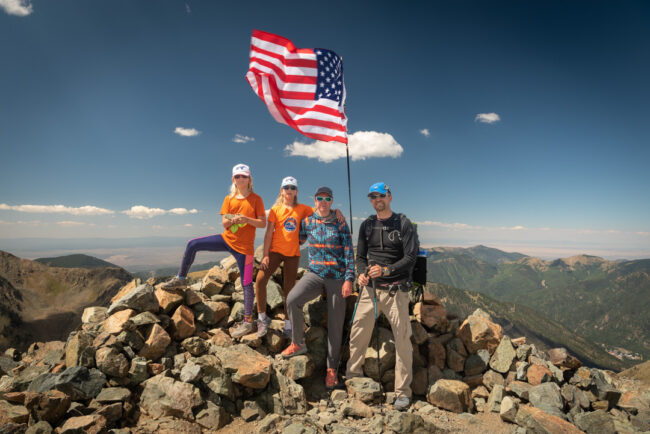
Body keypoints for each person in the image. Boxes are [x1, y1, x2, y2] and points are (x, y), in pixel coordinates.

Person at [161, 163, 266, 338]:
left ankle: (248, 322)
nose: (241, 179)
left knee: (247, 283)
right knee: (192, 244)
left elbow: (262, 223)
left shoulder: (256, 199)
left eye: (244, 176)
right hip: (226, 239)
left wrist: (246, 219)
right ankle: (181, 279)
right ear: (233, 179)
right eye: (237, 176)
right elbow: (224, 223)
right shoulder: (229, 199)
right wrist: (233, 220)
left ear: (249, 179)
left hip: (245, 249)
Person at [346, 182, 418, 411]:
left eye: (381, 195)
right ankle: (353, 378)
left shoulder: (404, 224)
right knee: (358, 332)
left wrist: (386, 270)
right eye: (373, 196)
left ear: (390, 197)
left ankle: (402, 393)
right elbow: (360, 256)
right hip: (370, 289)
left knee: (403, 341)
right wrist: (361, 274)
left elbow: (410, 258)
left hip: (396, 290)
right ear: (370, 200)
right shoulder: (367, 225)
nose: (377, 199)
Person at [281, 186, 355, 389]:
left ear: (332, 202)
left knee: (336, 322)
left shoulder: (339, 222)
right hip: (314, 274)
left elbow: (349, 251)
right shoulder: (308, 222)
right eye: (319, 198)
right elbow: (297, 239)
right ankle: (298, 342)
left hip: (337, 277)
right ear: (314, 201)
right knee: (292, 299)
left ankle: (332, 369)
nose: (323, 202)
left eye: (327, 199)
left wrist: (349, 279)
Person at [254, 176, 345, 338]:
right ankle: (262, 318)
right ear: (281, 190)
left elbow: (321, 208)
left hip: (293, 254)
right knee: (260, 279)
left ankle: (289, 325)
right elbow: (268, 234)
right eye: (286, 187)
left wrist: (336, 211)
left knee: (289, 289)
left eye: (292, 188)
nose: (289, 190)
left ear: (296, 191)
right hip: (275, 251)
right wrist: (266, 255)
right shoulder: (275, 209)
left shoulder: (303, 209)